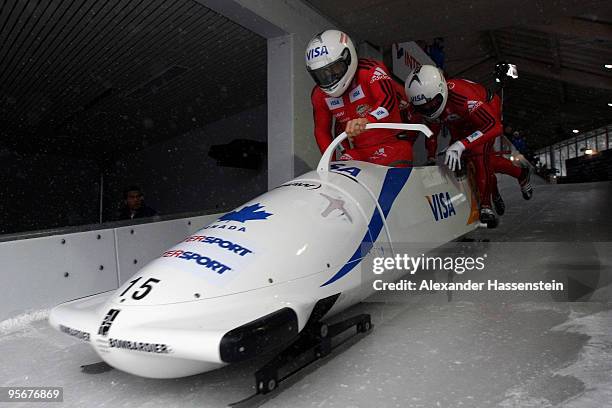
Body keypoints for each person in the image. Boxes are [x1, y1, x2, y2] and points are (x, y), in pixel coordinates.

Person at [405, 65, 532, 224]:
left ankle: (487, 206)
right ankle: (512, 178)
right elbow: (430, 133)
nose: (428, 109)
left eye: (432, 104)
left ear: (442, 91)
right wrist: (431, 155)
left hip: (485, 113)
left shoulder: (461, 95)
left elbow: (494, 126)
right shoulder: (424, 107)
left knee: (480, 156)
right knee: (468, 159)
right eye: (423, 107)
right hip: (458, 120)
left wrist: (462, 144)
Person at [306, 29, 419, 167]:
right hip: (358, 153)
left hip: (393, 146)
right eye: (322, 74)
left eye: (334, 68)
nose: (329, 77)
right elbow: (322, 131)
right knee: (337, 180)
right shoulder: (319, 94)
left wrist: (367, 120)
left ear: (348, 58)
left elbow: (387, 101)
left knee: (389, 186)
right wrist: (328, 164)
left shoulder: (370, 70)